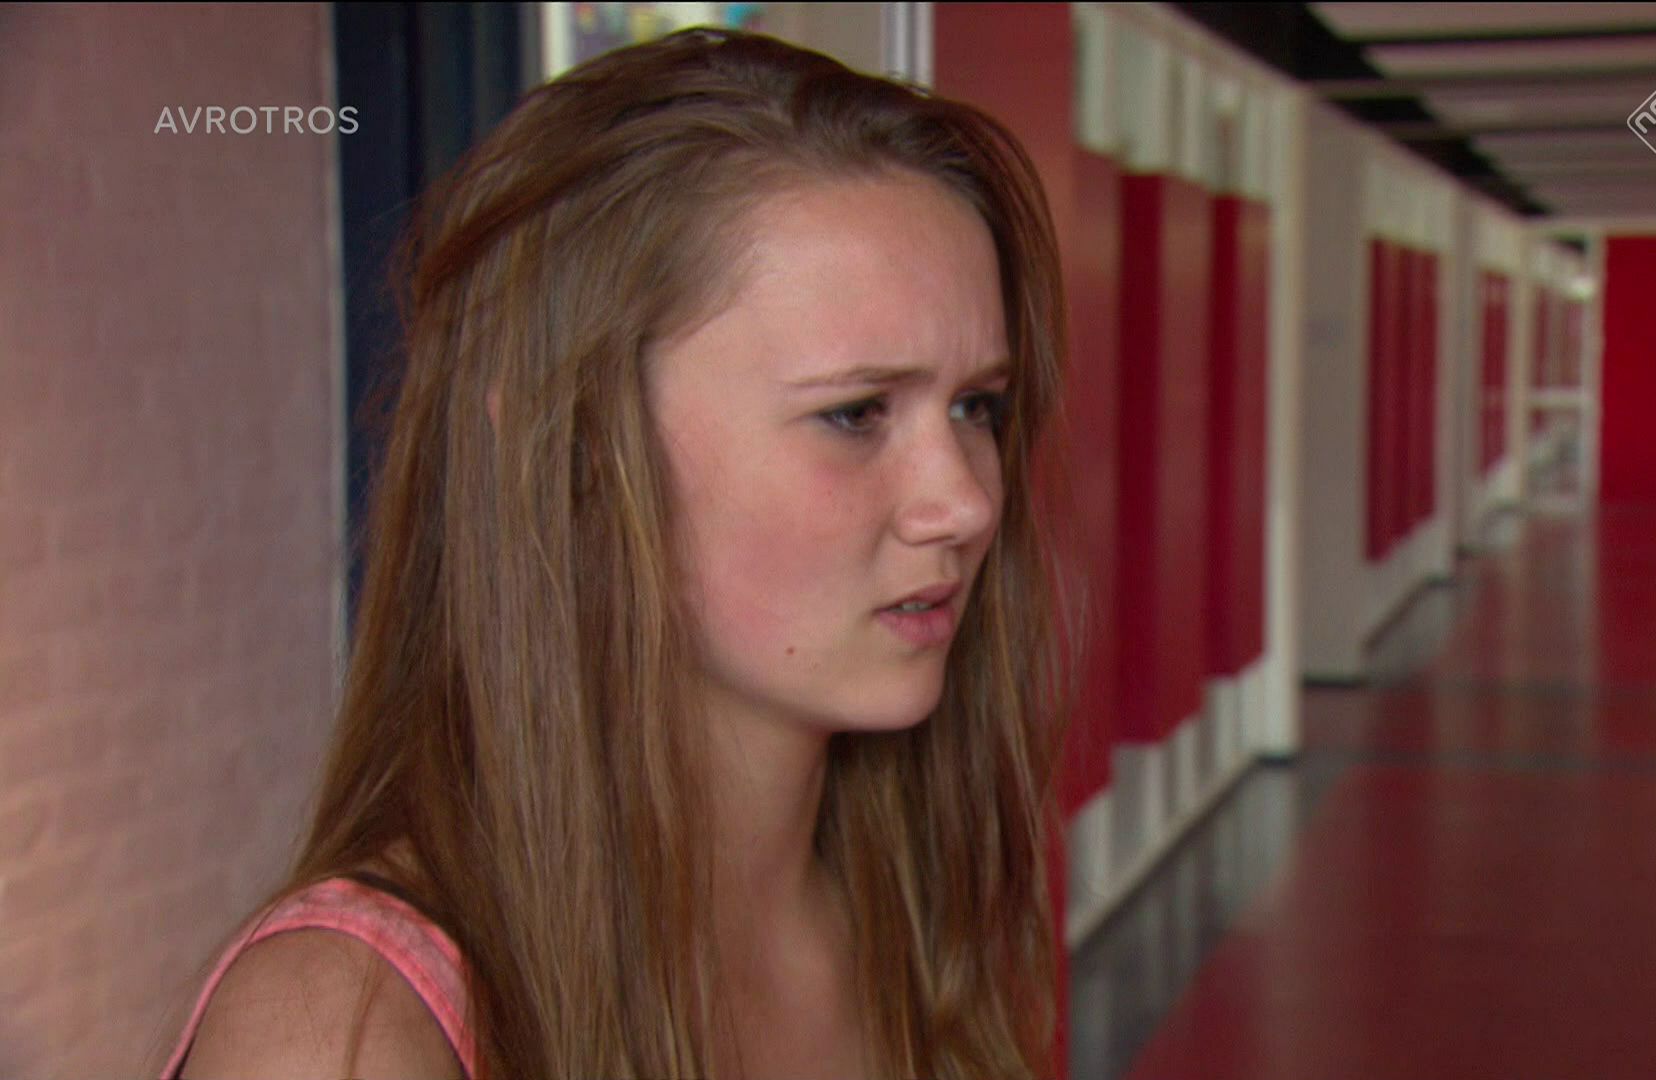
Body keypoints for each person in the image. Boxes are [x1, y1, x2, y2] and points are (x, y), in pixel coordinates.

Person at [160, 26, 1069, 1080]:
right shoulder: (345, 1029)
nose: (965, 502)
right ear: (574, 447)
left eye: (976, 406)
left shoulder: (915, 902)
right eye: (857, 412)